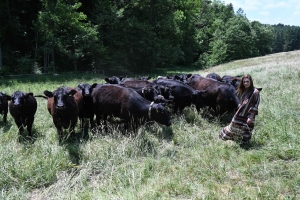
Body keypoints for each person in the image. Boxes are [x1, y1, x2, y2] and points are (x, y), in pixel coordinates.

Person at [219, 74, 260, 144]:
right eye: (244, 82)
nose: (246, 83)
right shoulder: (244, 90)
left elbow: (255, 105)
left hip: (249, 115)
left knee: (246, 129)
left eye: (247, 81)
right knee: (233, 126)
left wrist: (250, 117)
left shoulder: (255, 92)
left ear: (251, 81)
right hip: (240, 113)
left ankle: (244, 143)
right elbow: (241, 101)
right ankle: (228, 138)